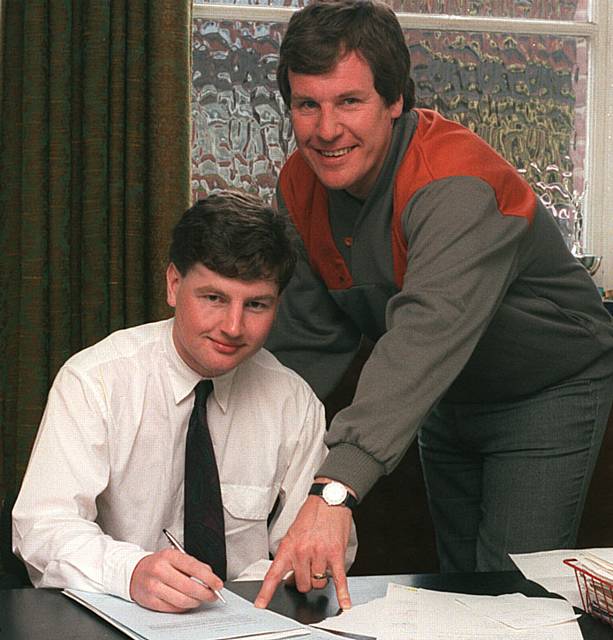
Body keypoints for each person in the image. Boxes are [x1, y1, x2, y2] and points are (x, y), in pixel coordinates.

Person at [254, 0, 613, 611]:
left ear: (395, 100)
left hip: (546, 387)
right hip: (445, 392)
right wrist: (241, 440)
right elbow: (305, 344)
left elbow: (426, 332)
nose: (325, 129)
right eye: (306, 104)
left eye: (349, 102)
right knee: (458, 587)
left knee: (510, 594)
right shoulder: (300, 181)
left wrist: (334, 491)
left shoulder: (453, 182)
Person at [12, 190, 356, 612]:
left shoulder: (294, 402)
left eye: (256, 305)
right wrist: (132, 572)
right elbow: (41, 527)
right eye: (214, 298)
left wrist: (304, 565)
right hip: (119, 614)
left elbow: (312, 542)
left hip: (252, 622)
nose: (232, 326)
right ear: (174, 285)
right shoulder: (94, 380)